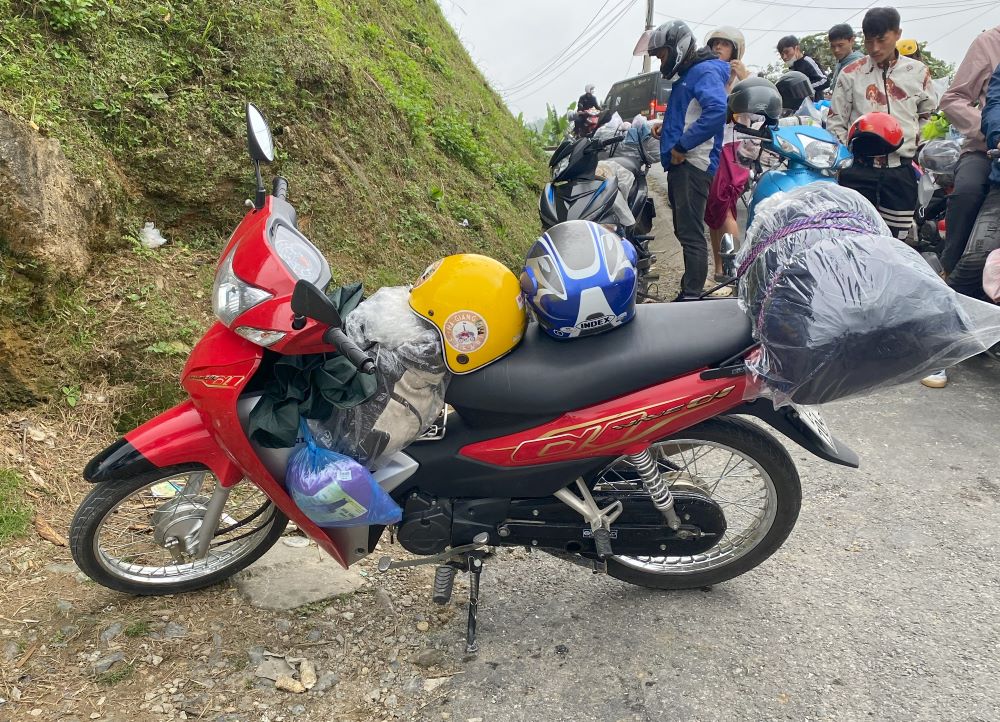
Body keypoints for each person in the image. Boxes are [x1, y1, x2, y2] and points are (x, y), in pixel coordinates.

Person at [827, 7, 934, 241]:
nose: (874, 48)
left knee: (898, 241)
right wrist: (846, 159)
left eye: (881, 40)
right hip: (858, 170)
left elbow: (929, 115)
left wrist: (919, 145)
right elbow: (835, 121)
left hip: (901, 172)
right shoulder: (851, 73)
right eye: (869, 41)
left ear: (897, 34)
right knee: (853, 239)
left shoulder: (917, 72)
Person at [647, 20, 730, 300]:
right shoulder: (691, 72)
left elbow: (717, 112)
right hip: (684, 163)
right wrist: (666, 126)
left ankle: (692, 294)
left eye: (662, 55)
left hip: (692, 164)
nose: (661, 61)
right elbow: (690, 113)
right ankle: (690, 288)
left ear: (678, 48)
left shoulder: (703, 71)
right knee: (685, 230)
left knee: (691, 233)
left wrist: (682, 145)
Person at [938, 25, 1000, 276]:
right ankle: (949, 269)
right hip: (982, 149)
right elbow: (952, 100)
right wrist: (992, 134)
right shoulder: (989, 42)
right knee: (968, 193)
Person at [703, 26, 750, 282]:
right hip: (710, 148)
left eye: (725, 44)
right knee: (713, 214)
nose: (719, 47)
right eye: (715, 43)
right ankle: (719, 270)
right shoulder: (711, 76)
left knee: (726, 211)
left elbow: (755, 113)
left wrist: (744, 76)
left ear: (735, 49)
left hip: (731, 147)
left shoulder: (744, 77)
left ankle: (732, 271)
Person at [776, 35, 830, 101]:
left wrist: (804, 89)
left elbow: (825, 81)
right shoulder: (792, 68)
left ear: (797, 49)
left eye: (787, 52)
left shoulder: (807, 61)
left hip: (815, 106)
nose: (784, 57)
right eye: (782, 54)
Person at [828, 23, 863, 88]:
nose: (836, 50)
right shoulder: (841, 62)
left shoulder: (859, 64)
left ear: (852, 41)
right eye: (833, 46)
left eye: (840, 45)